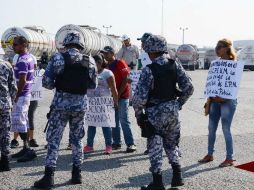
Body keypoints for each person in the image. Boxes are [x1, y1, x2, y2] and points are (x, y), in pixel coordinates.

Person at [34, 31, 97, 189]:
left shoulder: (57, 58)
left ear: (66, 43)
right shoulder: (89, 60)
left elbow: (47, 83)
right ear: (80, 44)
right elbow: (93, 85)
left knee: (54, 140)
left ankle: (49, 177)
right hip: (80, 106)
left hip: (61, 105)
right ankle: (77, 174)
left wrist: (60, 83)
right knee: (77, 139)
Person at [132, 35, 194, 189]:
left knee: (155, 146)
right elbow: (189, 88)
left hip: (155, 114)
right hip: (172, 113)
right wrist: (178, 104)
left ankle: (157, 182)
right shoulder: (175, 65)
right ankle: (177, 177)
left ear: (152, 50)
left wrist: (139, 116)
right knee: (172, 145)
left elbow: (138, 99)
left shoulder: (149, 70)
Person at [198, 39, 238, 167]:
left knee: (226, 129)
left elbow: (233, 86)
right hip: (214, 101)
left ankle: (229, 158)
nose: (217, 49)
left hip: (227, 101)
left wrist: (224, 98)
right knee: (211, 128)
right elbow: (212, 82)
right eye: (216, 46)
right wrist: (210, 98)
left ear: (227, 48)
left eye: (220, 47)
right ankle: (210, 154)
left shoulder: (234, 65)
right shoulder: (215, 64)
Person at [100, 46, 137, 153]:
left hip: (122, 96)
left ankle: (130, 144)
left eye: (107, 53)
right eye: (104, 54)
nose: (105, 56)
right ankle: (116, 142)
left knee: (123, 120)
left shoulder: (120, 63)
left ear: (112, 53)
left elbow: (126, 79)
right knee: (113, 121)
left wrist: (118, 95)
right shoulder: (106, 66)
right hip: (111, 97)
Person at [84, 54, 118, 155]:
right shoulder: (88, 72)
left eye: (94, 64)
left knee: (106, 126)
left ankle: (108, 146)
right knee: (91, 125)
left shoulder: (108, 73)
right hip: (91, 104)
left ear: (99, 63)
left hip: (104, 103)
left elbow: (113, 88)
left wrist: (115, 102)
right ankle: (89, 145)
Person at [10, 36, 37, 162]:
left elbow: (22, 79)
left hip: (21, 95)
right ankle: (26, 148)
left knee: (19, 122)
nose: (13, 46)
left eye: (15, 44)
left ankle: (29, 150)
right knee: (23, 121)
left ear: (23, 45)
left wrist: (16, 95)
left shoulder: (22, 60)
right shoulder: (30, 57)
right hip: (26, 94)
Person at [0, 59, 17, 172]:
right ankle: (5, 161)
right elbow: (13, 87)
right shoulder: (6, 65)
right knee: (5, 132)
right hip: (4, 104)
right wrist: (10, 101)